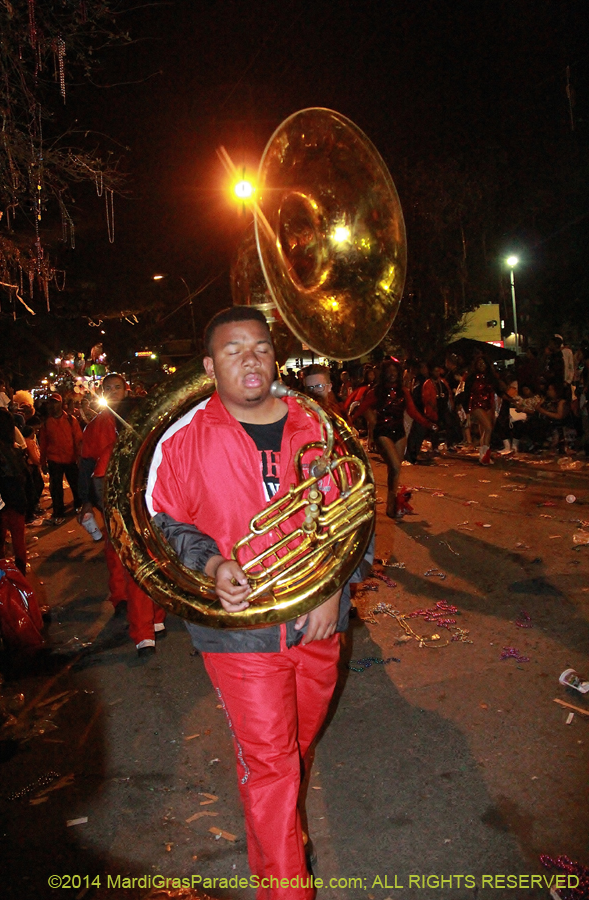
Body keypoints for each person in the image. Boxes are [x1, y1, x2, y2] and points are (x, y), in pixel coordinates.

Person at [147, 307, 371, 900]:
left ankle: (285, 845)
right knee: (271, 764)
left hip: (319, 622)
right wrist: (213, 564)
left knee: (294, 749)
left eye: (261, 347)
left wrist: (334, 588)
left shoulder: (317, 426)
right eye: (232, 350)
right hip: (240, 635)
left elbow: (356, 515)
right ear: (208, 366)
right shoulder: (184, 440)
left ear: (275, 356)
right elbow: (163, 524)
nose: (250, 359)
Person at [77, 373, 166, 655]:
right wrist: (86, 502)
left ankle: (155, 617)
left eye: (117, 388)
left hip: (144, 489)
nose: (114, 393)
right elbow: (86, 464)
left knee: (151, 553)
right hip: (111, 490)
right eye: (108, 389)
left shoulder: (145, 415)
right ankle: (136, 619)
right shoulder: (97, 425)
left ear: (126, 390)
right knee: (125, 552)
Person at [355, 360, 434, 517]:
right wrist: (347, 421)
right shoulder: (376, 392)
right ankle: (392, 505)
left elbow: (412, 411)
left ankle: (391, 506)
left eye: (395, 371)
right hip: (382, 432)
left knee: (395, 471)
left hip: (399, 432)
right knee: (396, 466)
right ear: (384, 374)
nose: (392, 374)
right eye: (389, 371)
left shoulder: (403, 392)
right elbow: (362, 408)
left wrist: (428, 423)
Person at [0, 409, 30, 574]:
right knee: (18, 540)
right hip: (16, 500)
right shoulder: (14, 448)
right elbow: (24, 476)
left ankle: (2, 576)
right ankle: (20, 577)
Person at [38, 392, 83, 525]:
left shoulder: (70, 420)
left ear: (61, 403)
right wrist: (43, 462)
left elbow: (78, 439)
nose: (53, 405)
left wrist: (79, 456)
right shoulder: (47, 423)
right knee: (56, 487)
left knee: (75, 484)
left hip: (70, 458)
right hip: (54, 459)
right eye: (51, 402)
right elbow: (43, 443)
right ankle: (58, 512)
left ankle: (79, 504)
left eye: (56, 402)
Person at [463, 356, 499, 465]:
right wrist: (466, 410)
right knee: (488, 428)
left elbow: (498, 390)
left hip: (488, 405)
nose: (481, 365)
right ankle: (485, 455)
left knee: (484, 430)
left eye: (483, 363)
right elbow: (466, 393)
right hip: (475, 405)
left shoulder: (490, 377)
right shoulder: (471, 377)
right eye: (479, 363)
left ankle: (483, 455)